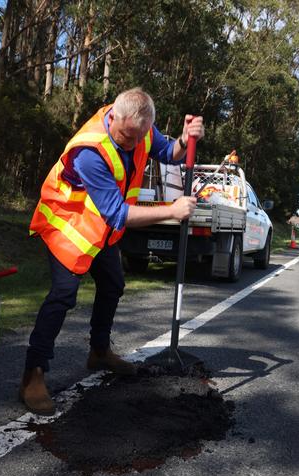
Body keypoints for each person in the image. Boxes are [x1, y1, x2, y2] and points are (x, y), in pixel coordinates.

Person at [22, 88, 205, 415]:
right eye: (126, 136)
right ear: (114, 116)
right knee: (63, 295)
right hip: (67, 224)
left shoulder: (140, 130)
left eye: (138, 137)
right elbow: (118, 213)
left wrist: (183, 139)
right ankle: (33, 375)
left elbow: (168, 153)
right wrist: (172, 210)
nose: (132, 144)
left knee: (113, 285)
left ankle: (100, 351)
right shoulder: (90, 152)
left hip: (99, 229)